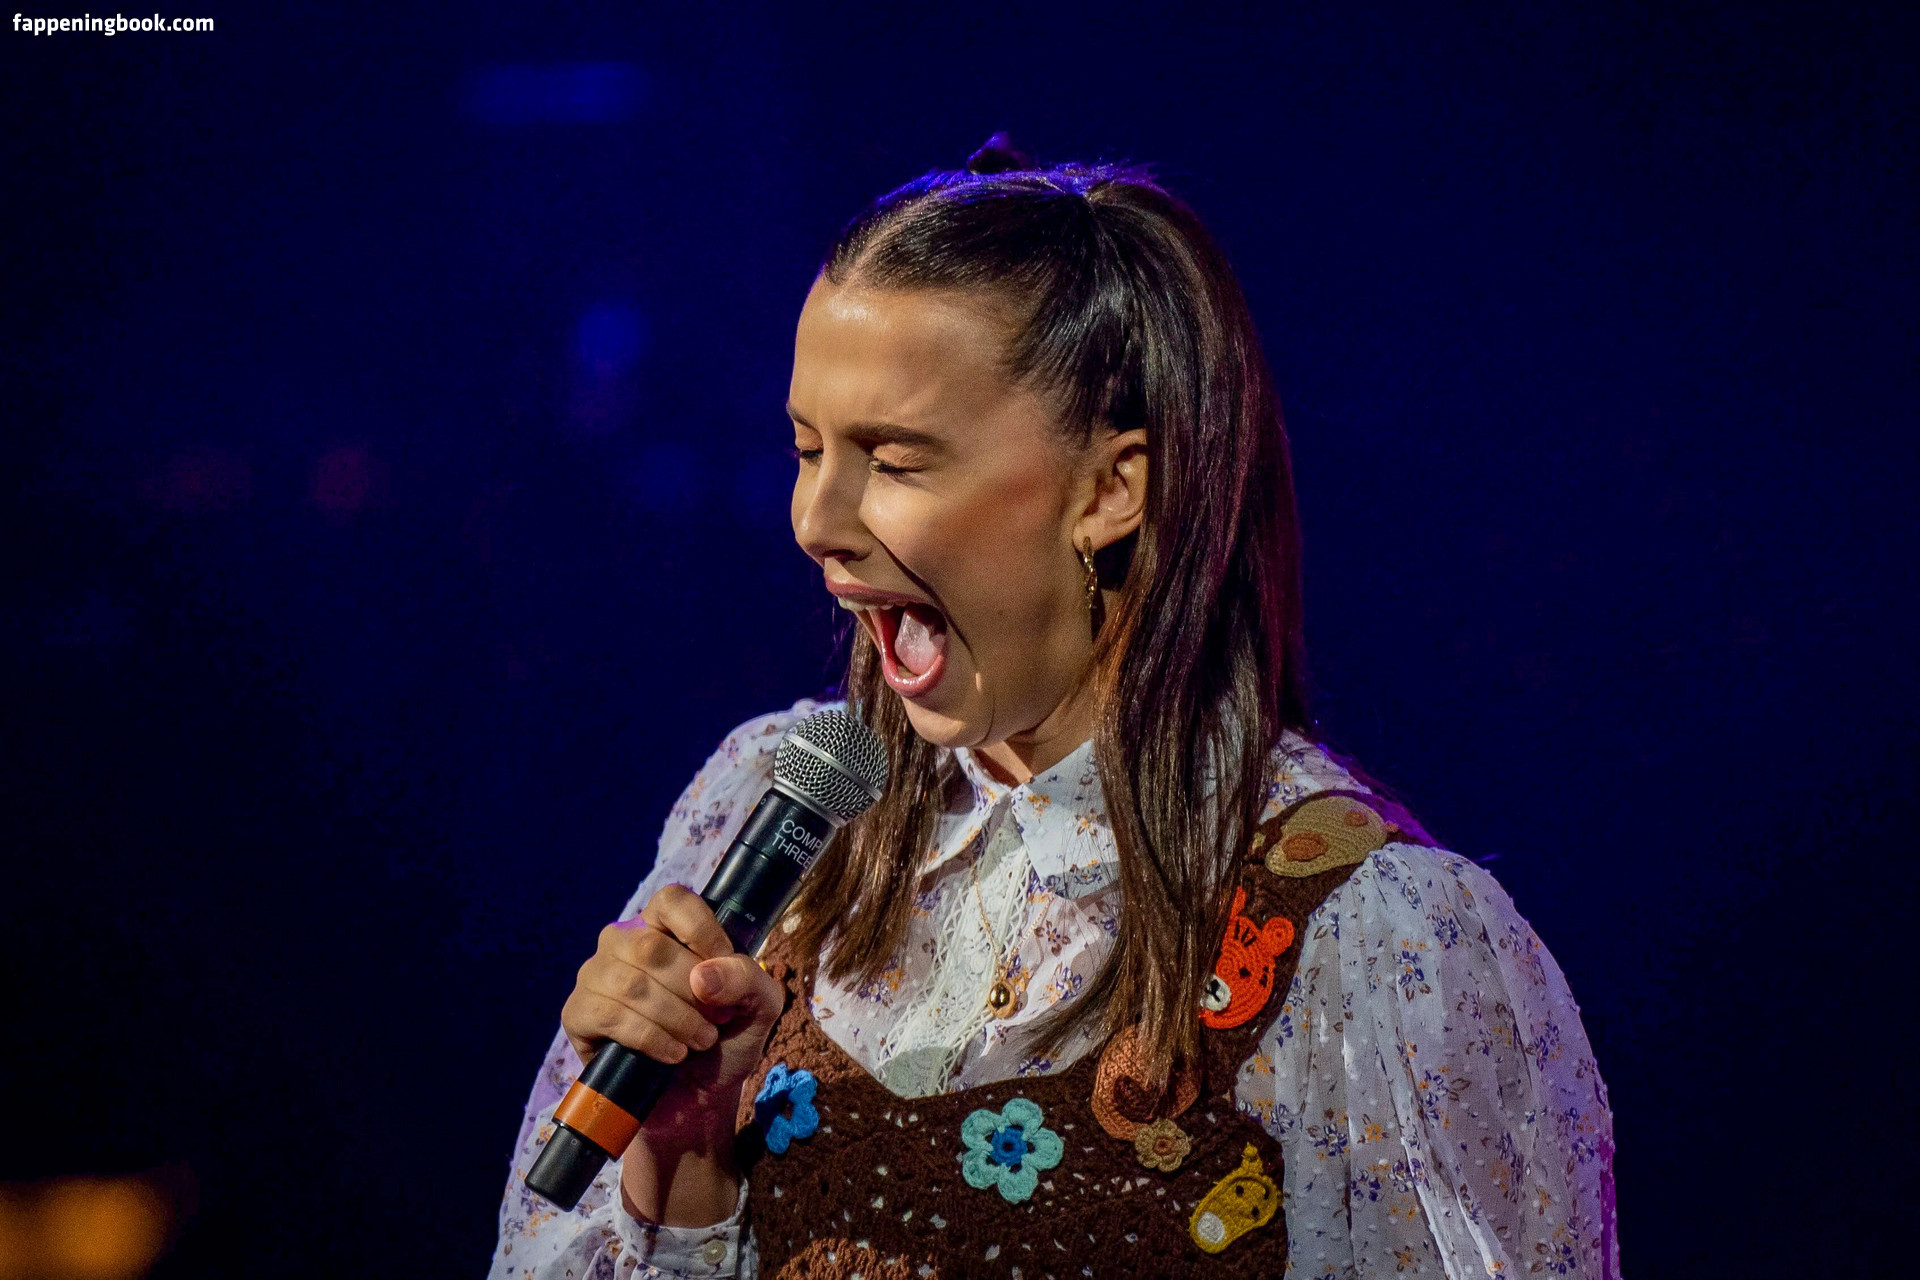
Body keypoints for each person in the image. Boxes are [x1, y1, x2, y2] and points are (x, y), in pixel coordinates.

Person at [488, 136, 1617, 1280]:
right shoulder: (775, 809)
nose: (816, 522)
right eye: (807, 449)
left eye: (896, 459)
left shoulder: (1367, 935)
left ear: (1111, 487)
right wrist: (683, 1164)